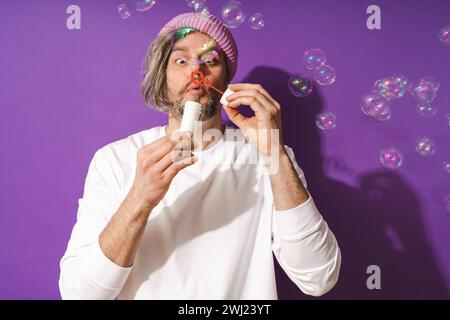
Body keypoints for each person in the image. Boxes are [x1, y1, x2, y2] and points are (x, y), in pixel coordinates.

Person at [59, 12, 341, 300]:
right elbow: (80, 295)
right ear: (162, 76)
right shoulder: (116, 160)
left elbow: (319, 278)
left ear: (226, 79)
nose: (197, 71)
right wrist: (139, 200)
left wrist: (274, 155)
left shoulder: (269, 158)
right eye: (181, 60)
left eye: (210, 61)